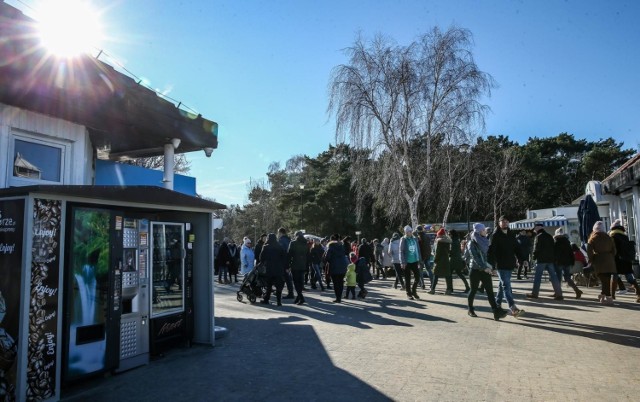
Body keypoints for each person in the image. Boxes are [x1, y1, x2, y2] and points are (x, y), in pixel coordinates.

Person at [465, 223, 507, 320]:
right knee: (473, 290)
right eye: (483, 230)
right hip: (475, 270)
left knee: (490, 291)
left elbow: (487, 257)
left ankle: (496, 312)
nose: (485, 231)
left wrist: (492, 268)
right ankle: (470, 309)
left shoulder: (485, 240)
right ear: (479, 231)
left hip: (485, 270)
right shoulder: (471, 242)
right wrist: (484, 267)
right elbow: (475, 257)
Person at [488, 216, 524, 317]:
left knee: (502, 286)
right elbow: (491, 251)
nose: (504, 223)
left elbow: (517, 248)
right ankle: (513, 308)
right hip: (500, 265)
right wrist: (492, 266)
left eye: (506, 221)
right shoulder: (495, 235)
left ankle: (496, 306)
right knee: (506, 286)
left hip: (510, 264)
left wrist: (521, 259)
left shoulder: (511, 234)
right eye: (502, 221)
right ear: (499, 223)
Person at [526, 223, 563, 300]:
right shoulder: (549, 236)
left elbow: (536, 249)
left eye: (535, 228)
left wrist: (533, 257)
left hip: (541, 260)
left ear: (538, 228)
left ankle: (535, 293)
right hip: (550, 259)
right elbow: (553, 247)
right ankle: (559, 294)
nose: (534, 230)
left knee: (538, 277)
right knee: (553, 276)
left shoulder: (538, 237)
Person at [609, 219, 640, 302]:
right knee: (630, 277)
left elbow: (613, 250)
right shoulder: (624, 236)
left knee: (614, 277)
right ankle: (639, 293)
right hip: (626, 260)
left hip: (617, 260)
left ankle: (612, 296)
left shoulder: (612, 236)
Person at [587, 221, 617, 304]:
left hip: (599, 261)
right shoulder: (609, 237)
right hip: (609, 261)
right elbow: (614, 251)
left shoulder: (592, 238)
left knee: (604, 281)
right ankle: (603, 296)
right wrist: (610, 256)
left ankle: (608, 297)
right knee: (606, 280)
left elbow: (589, 252)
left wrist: (591, 259)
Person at [553, 228, 583, 299]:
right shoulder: (567, 242)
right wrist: (572, 262)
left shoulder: (556, 242)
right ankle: (577, 290)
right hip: (567, 262)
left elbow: (554, 253)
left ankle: (558, 293)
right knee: (567, 278)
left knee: (558, 278)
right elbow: (571, 253)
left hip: (559, 262)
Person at [259, 233, 286, 306]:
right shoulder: (280, 247)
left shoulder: (266, 247)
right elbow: (284, 258)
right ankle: (279, 301)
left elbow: (261, 258)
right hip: (279, 269)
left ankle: (266, 299)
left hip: (270, 269)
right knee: (278, 286)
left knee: (269, 286)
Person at [323, 234, 348, 303]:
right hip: (343, 266)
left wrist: (326, 262)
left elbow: (327, 257)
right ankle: (339, 296)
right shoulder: (342, 246)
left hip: (334, 266)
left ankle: (338, 298)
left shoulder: (331, 246)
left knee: (335, 283)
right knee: (340, 282)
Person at [400, 225, 422, 300]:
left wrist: (419, 260)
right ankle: (409, 293)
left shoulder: (415, 238)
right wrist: (402, 262)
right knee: (407, 278)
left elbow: (418, 249)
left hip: (415, 261)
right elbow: (401, 251)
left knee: (417, 277)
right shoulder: (403, 239)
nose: (408, 233)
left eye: (409, 231)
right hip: (407, 262)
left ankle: (413, 291)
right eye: (406, 232)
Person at [288, 231, 310, 305]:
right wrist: (307, 267)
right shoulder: (306, 244)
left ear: (296, 236)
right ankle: (298, 298)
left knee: (296, 283)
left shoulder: (293, 243)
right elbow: (308, 256)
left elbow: (289, 254)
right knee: (300, 283)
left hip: (295, 265)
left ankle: (301, 297)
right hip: (303, 265)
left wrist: (288, 265)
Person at [429, 228, 452, 295]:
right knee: (447, 275)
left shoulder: (439, 242)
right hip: (446, 260)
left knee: (435, 275)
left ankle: (432, 289)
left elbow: (438, 252)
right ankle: (448, 290)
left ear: (439, 235)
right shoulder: (448, 241)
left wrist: (435, 260)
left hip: (439, 261)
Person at [277, 227, 295, 299]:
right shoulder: (288, 239)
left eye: (278, 233)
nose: (278, 234)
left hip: (283, 262)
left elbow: (281, 251)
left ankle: (290, 293)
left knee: (285, 278)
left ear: (281, 233)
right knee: (286, 277)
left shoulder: (281, 240)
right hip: (288, 261)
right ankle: (283, 291)